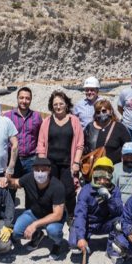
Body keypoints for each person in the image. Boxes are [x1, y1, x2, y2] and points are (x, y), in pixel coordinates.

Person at [0, 157, 67, 260]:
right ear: (33, 170)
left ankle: (57, 244)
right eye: (37, 170)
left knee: (53, 230)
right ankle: (37, 236)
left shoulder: (58, 186)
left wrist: (35, 224)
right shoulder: (29, 178)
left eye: (43, 170)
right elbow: (15, 182)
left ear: (49, 170)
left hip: (52, 217)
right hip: (34, 213)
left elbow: (57, 215)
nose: (40, 173)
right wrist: (6, 180)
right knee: (17, 231)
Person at [36, 90, 84, 218]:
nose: (58, 107)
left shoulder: (74, 121)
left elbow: (79, 144)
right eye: (55, 104)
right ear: (52, 106)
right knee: (50, 189)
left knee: (69, 190)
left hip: (68, 163)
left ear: (66, 105)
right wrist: (43, 164)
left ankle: (71, 216)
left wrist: (76, 162)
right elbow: (41, 145)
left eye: (61, 104)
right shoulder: (46, 122)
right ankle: (52, 215)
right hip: (51, 163)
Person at [69, 157, 123, 255]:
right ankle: (83, 239)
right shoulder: (86, 190)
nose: (102, 181)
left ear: (110, 176)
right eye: (99, 177)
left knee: (120, 222)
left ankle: (112, 250)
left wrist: (109, 198)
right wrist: (81, 237)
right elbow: (80, 215)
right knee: (74, 244)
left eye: (105, 177)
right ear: (94, 175)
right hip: (88, 224)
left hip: (104, 223)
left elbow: (119, 212)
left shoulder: (115, 190)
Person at [4, 87, 42, 203]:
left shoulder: (36, 116)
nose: (24, 101)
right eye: (21, 98)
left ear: (30, 100)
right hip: (13, 159)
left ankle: (30, 216)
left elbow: (39, 136)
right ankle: (9, 217)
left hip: (31, 159)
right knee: (10, 188)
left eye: (27, 98)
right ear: (17, 98)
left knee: (31, 189)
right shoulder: (8, 116)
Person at [82, 100, 131, 164]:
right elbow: (83, 145)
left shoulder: (119, 127)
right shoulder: (89, 127)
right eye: (98, 112)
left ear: (110, 111)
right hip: (93, 167)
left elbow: (127, 146)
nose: (101, 114)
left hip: (114, 167)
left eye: (104, 111)